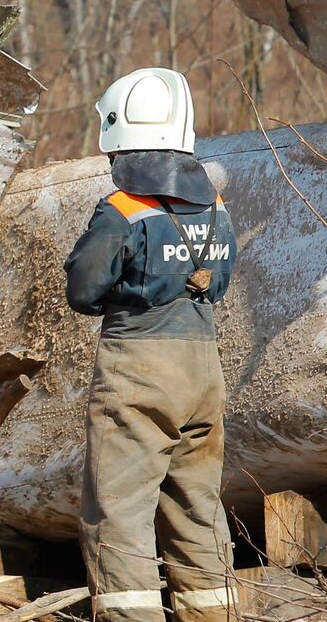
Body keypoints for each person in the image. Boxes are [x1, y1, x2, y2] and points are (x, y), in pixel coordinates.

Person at [64, 68, 237, 622]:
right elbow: (220, 284)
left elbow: (83, 287)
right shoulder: (216, 207)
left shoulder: (123, 209)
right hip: (203, 368)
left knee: (118, 511)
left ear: (120, 142)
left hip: (140, 368)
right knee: (196, 508)